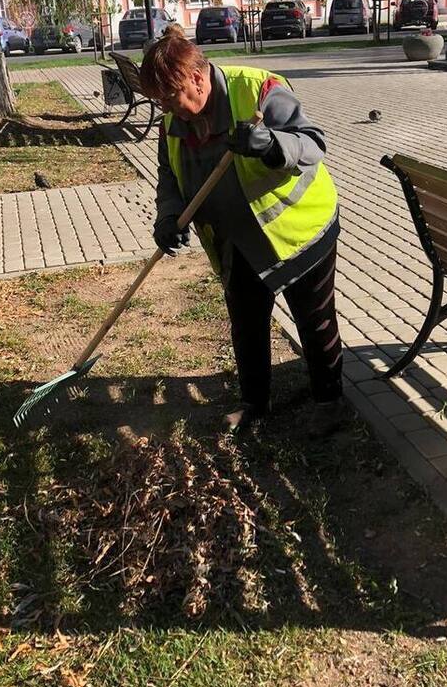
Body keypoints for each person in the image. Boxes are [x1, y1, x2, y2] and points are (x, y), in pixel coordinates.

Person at [139, 26, 349, 437]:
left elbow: (313, 143)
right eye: (160, 100)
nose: (166, 108)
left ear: (196, 78)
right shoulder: (172, 121)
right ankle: (255, 402)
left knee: (314, 319)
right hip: (236, 241)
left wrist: (270, 144)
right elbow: (170, 177)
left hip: (299, 232)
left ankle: (329, 402)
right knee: (246, 322)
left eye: (170, 97)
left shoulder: (257, 89)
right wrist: (167, 217)